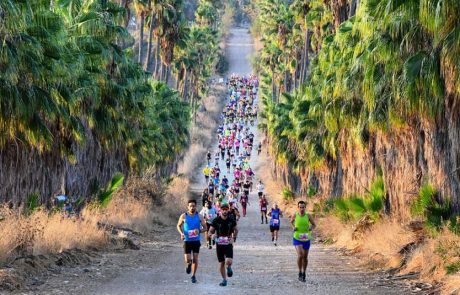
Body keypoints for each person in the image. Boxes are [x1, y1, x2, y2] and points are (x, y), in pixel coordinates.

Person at [176, 199, 207, 283]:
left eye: (193, 206)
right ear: (188, 207)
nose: (192, 208)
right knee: (188, 259)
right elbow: (178, 226)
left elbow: (205, 227)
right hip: (187, 240)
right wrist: (181, 233)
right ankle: (189, 264)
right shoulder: (184, 216)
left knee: (195, 259)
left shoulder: (199, 216)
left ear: (196, 206)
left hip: (196, 241)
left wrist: (199, 230)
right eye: (190, 206)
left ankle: (193, 276)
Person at [209, 202, 238, 287]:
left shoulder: (231, 220)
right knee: (221, 263)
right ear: (220, 210)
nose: (225, 211)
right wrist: (212, 235)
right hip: (219, 243)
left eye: (226, 209)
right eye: (223, 209)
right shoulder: (216, 220)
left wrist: (234, 238)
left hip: (228, 242)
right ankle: (224, 280)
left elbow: (236, 229)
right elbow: (210, 231)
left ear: (228, 210)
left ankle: (228, 267)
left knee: (228, 261)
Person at [290, 200, 316, 283]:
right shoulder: (295, 215)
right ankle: (299, 272)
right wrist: (293, 227)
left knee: (305, 257)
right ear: (298, 207)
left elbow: (314, 224)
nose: (302, 209)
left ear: (305, 207)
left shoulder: (308, 216)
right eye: (300, 207)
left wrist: (311, 228)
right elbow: (291, 222)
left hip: (306, 238)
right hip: (297, 238)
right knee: (300, 255)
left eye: (303, 207)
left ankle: (304, 273)